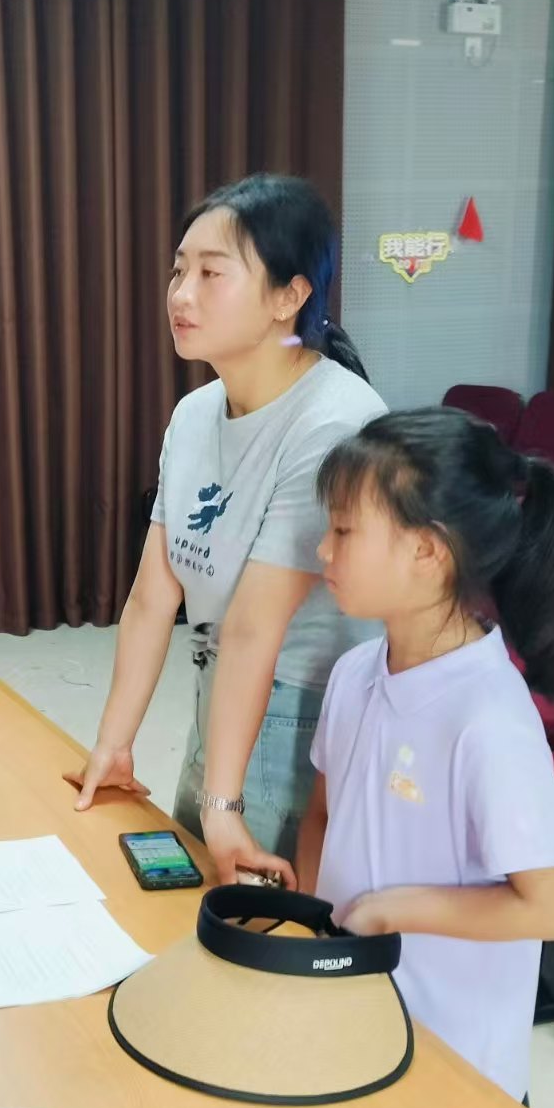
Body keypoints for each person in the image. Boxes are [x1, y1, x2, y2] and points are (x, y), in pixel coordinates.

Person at [240, 409, 554, 1108]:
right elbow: (324, 815)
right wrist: (314, 925)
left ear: (428, 552)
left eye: (345, 531)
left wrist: (395, 909)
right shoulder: (357, 672)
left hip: (446, 1050)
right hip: (363, 1009)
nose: (323, 549)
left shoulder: (488, 719)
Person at [70, 174, 386, 886]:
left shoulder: (334, 424)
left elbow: (253, 629)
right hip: (223, 695)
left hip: (301, 718)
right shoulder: (194, 415)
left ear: (288, 297)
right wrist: (114, 743)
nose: (181, 295)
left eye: (212, 274)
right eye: (178, 270)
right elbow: (152, 598)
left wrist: (222, 802)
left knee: (259, 924)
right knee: (189, 906)